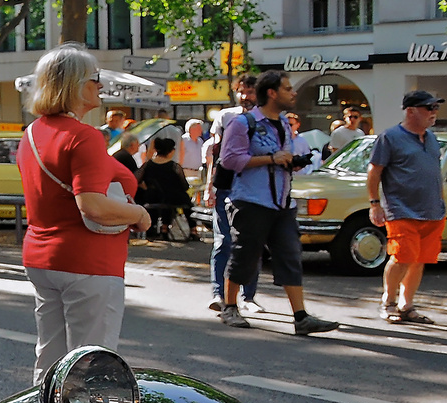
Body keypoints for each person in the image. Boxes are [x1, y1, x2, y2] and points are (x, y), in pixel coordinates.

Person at [18, 44, 149, 383]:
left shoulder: (31, 133)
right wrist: (138, 215)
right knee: (89, 365)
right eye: (95, 79)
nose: (101, 86)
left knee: (50, 357)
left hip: (42, 255)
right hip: (88, 260)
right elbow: (90, 204)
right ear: (75, 84)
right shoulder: (84, 137)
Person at [216, 70, 339, 335]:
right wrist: (272, 159)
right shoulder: (243, 123)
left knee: (290, 256)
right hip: (250, 200)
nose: (293, 93)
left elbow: (281, 156)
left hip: (282, 202)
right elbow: (230, 160)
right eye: (287, 88)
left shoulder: (283, 123)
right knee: (245, 255)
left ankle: (301, 317)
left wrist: (292, 162)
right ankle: (230, 306)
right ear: (271, 93)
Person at [368, 91, 447, 323]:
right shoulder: (390, 137)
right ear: (410, 111)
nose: (434, 113)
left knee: (419, 259)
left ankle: (407, 305)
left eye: (435, 108)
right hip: (401, 209)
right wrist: (375, 204)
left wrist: (441, 201)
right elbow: (374, 171)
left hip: (432, 211)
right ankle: (388, 302)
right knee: (402, 257)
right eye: (429, 108)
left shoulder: (431, 138)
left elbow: (435, 172)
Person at [204, 74, 261, 314]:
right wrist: (209, 186)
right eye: (242, 91)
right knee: (223, 240)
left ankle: (248, 296)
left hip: (253, 187)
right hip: (226, 185)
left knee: (252, 243)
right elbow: (215, 155)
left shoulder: (265, 119)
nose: (245, 96)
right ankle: (218, 293)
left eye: (250, 91)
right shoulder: (226, 116)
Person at [137, 136, 194, 240]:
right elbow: (184, 185)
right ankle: (193, 229)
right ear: (170, 151)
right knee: (184, 200)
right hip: (174, 198)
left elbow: (137, 179)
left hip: (153, 197)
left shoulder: (147, 165)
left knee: (164, 197)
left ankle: (162, 228)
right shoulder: (174, 166)